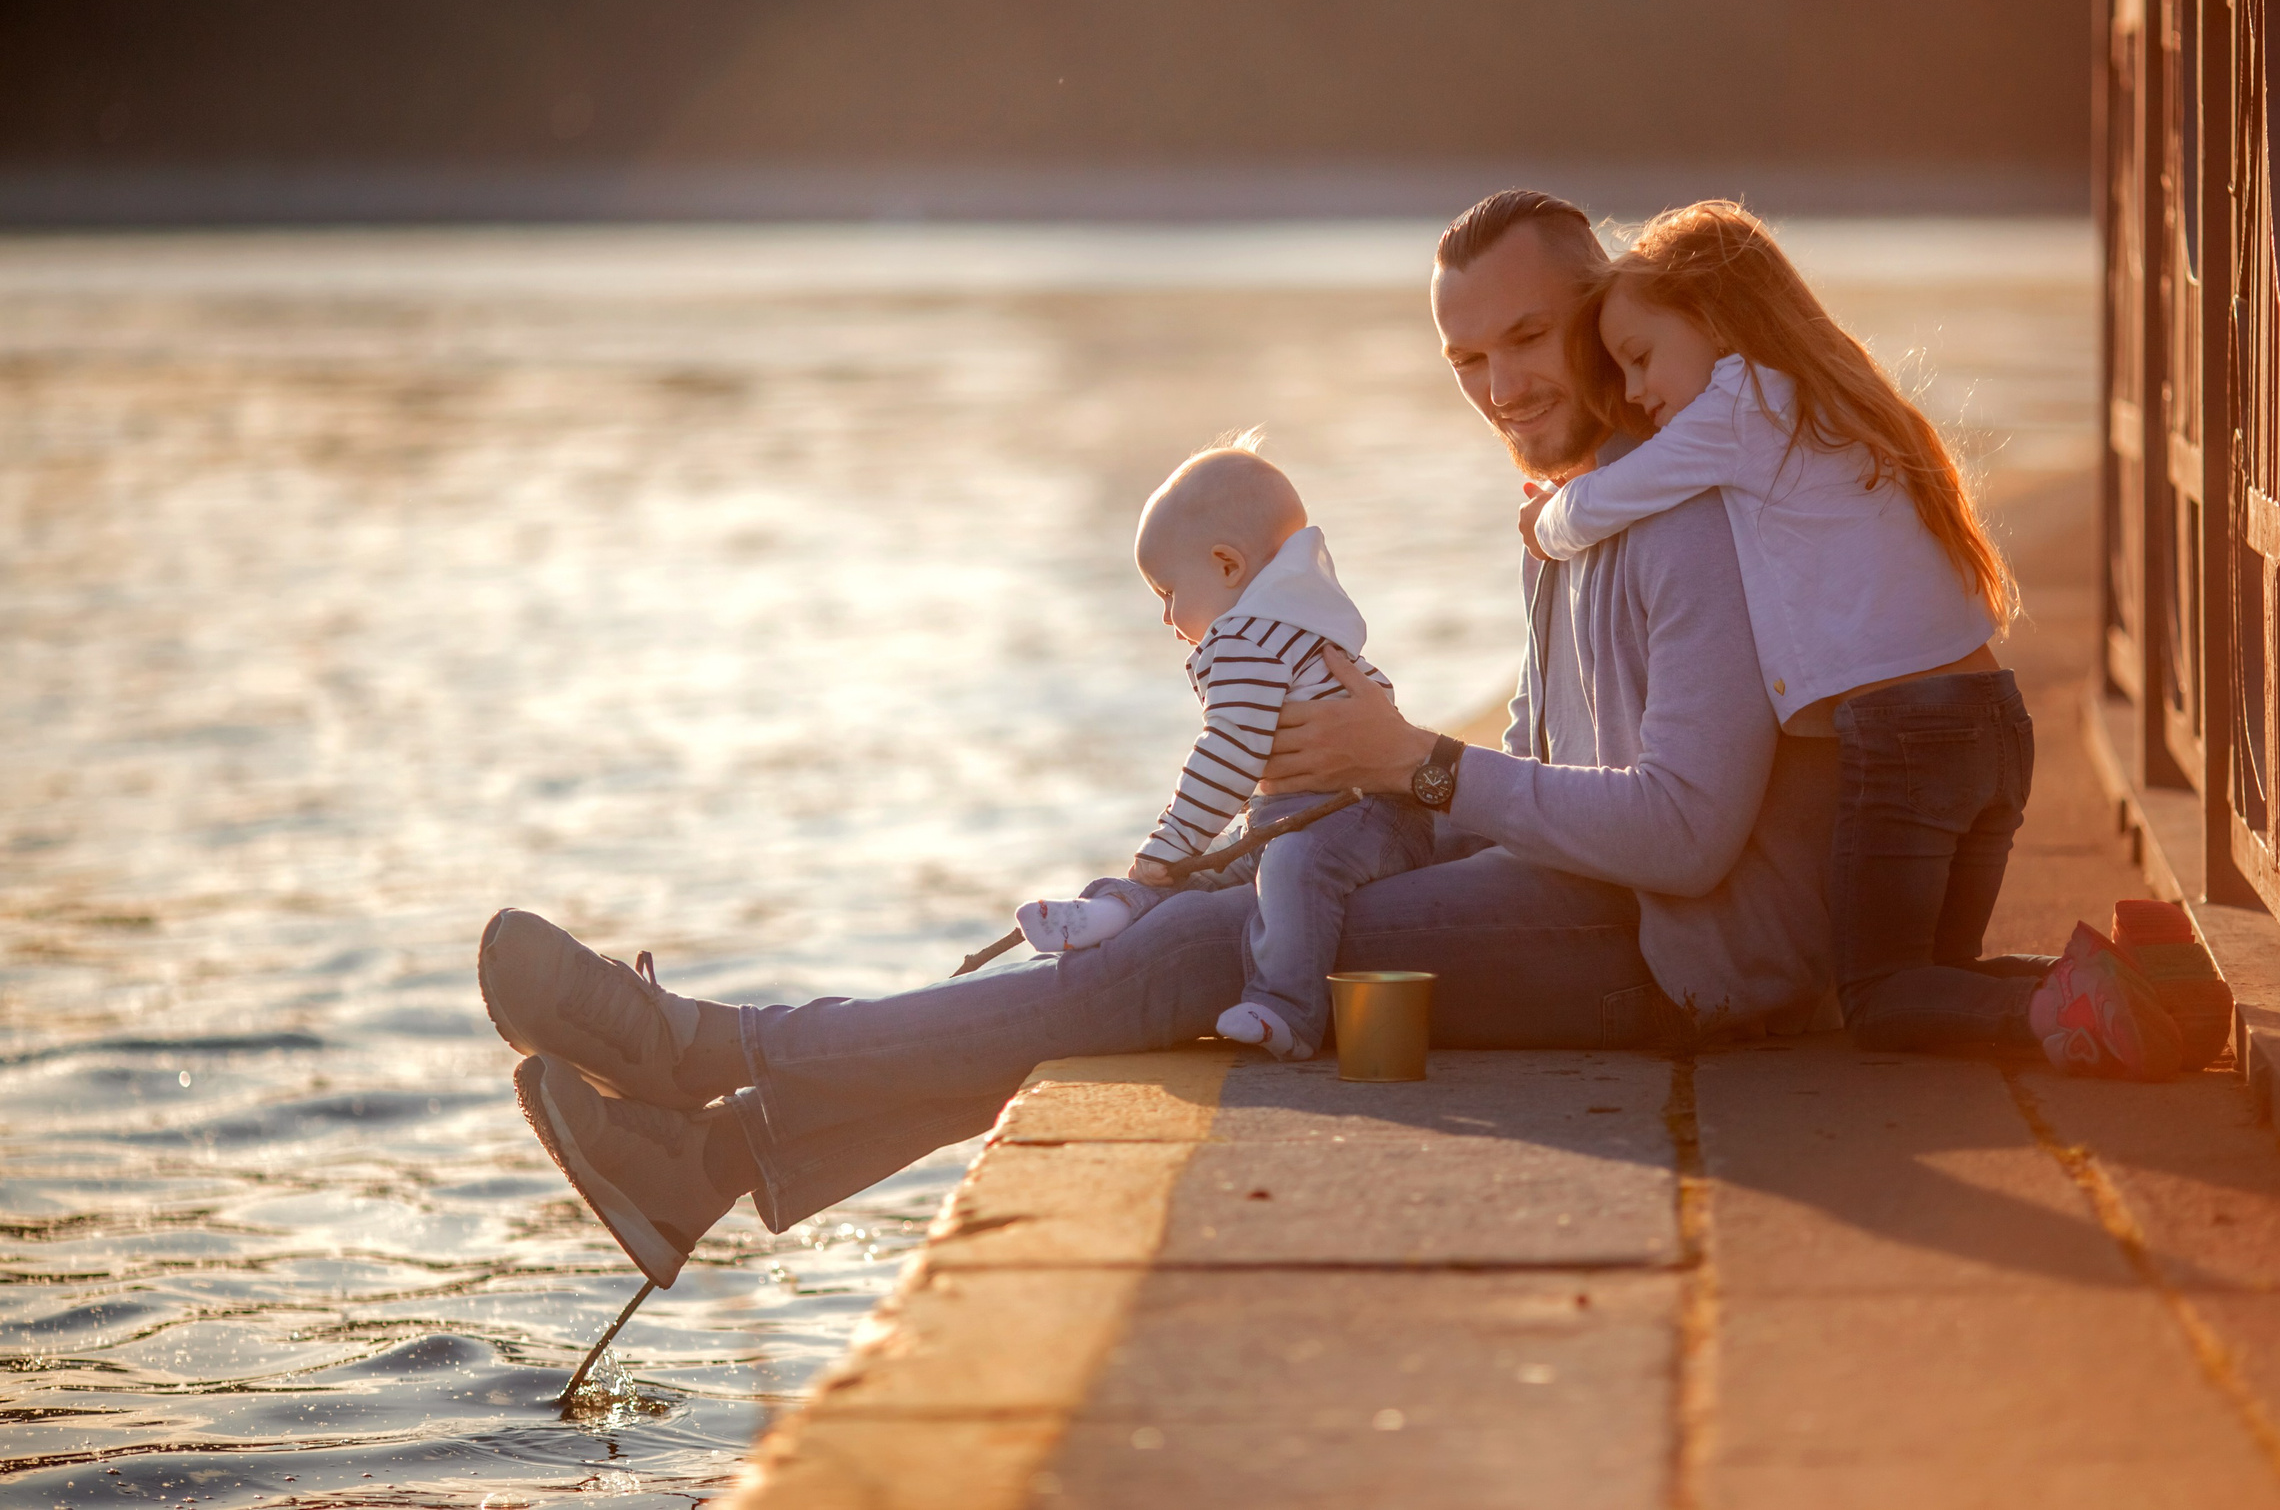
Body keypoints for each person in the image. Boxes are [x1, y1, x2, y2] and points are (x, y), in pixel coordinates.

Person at [479, 189, 1841, 1290]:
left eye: (1527, 339)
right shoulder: (1573, 514)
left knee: (1200, 952)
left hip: (1670, 958)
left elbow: (1688, 832)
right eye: (1467, 360)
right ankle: (705, 1165)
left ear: (1603, 309)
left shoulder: (1679, 513)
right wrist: (1329, 808)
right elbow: (1535, 775)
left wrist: (1413, 763)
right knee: (1195, 914)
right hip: (1581, 907)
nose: (1499, 386)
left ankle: (709, 1047)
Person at [1522, 199, 2178, 1080]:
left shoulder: (1741, 404)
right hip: (1994, 722)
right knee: (1937, 976)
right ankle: (2151, 981)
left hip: (1910, 738)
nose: (1635, 392)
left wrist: (1543, 521)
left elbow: (1609, 497)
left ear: (1712, 315)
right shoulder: (1831, 398)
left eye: (1640, 357)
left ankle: (2076, 1003)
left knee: (1881, 996)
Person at [1011, 433, 1433, 1062]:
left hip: (1365, 816)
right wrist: (1183, 852)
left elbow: (1230, 750)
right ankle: (1116, 908)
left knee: (1290, 866)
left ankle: (1287, 1010)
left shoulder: (1246, 637)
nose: (1166, 618)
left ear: (1227, 567)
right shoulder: (1286, 625)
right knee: (1214, 867)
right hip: (1312, 814)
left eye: (1167, 593)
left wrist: (1173, 840)